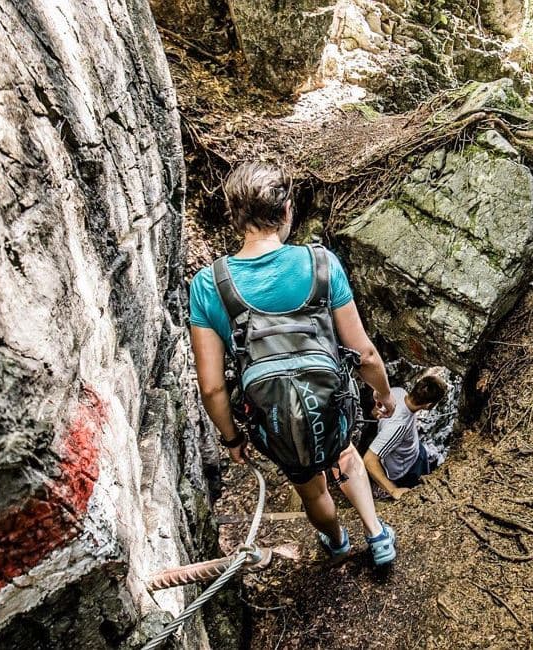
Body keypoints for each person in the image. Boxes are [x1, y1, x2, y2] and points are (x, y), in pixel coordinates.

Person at [188, 161, 399, 565]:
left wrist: (232, 439)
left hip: (275, 418)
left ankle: (336, 540)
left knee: (311, 488)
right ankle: (377, 536)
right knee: (345, 453)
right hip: (330, 400)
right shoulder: (321, 264)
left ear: (234, 215)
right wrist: (384, 394)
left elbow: (212, 387)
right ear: (287, 211)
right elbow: (365, 354)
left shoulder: (208, 285)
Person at [363, 369, 448, 499]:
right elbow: (369, 460)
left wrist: (376, 414)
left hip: (416, 452)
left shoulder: (397, 392)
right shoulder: (399, 427)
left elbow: (376, 411)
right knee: (420, 491)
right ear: (429, 405)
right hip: (406, 470)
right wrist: (393, 490)